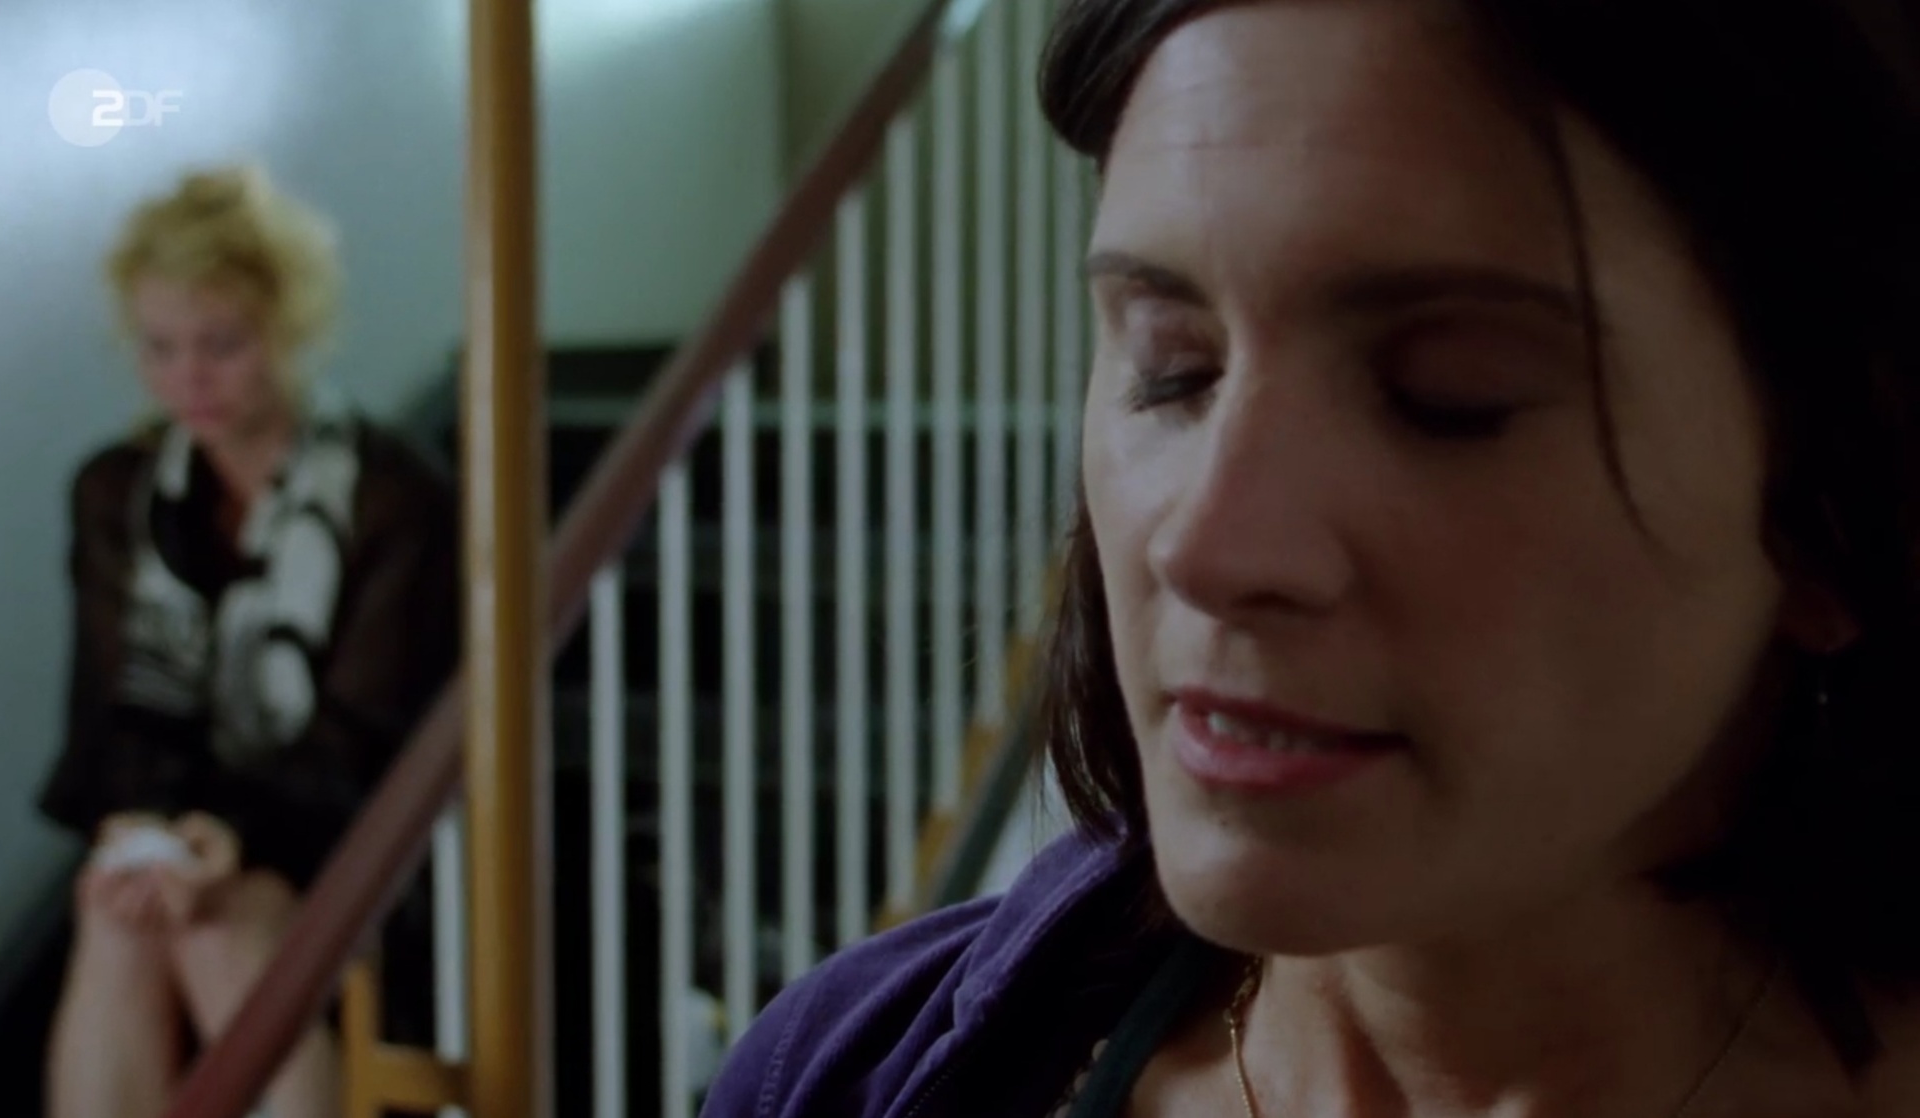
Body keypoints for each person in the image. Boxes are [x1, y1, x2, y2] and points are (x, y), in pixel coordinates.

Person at [701, 0, 1920, 1115]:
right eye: (1171, 367)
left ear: (1843, 498)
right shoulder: (844, 1074)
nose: (1204, 545)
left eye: (1446, 398)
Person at [36, 164, 458, 1118]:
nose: (187, 377)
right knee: (119, 909)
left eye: (221, 344)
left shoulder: (391, 496)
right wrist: (149, 835)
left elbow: (364, 739)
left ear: (288, 327)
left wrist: (227, 838)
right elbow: (110, 715)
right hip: (190, 827)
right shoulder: (117, 490)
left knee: (222, 929)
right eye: (159, 347)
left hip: (352, 835)